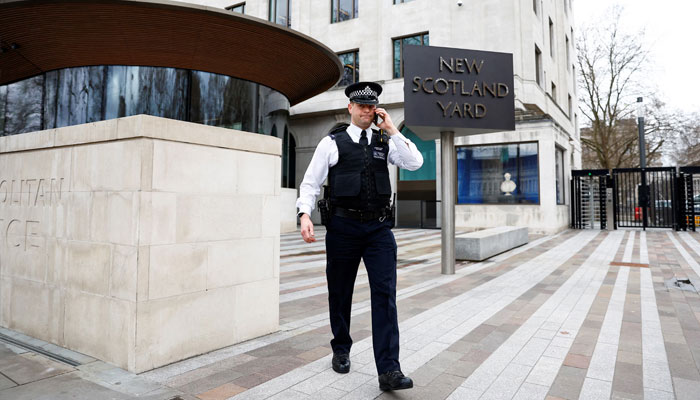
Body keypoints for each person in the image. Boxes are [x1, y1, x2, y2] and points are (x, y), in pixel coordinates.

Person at [296, 81, 423, 391]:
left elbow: (414, 162)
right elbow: (311, 183)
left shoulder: (386, 140)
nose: (367, 110)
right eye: (362, 105)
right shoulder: (332, 142)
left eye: (372, 106)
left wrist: (393, 130)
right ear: (350, 108)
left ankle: (389, 371)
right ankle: (341, 347)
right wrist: (303, 214)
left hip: (378, 229)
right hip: (343, 228)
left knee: (385, 294)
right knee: (340, 292)